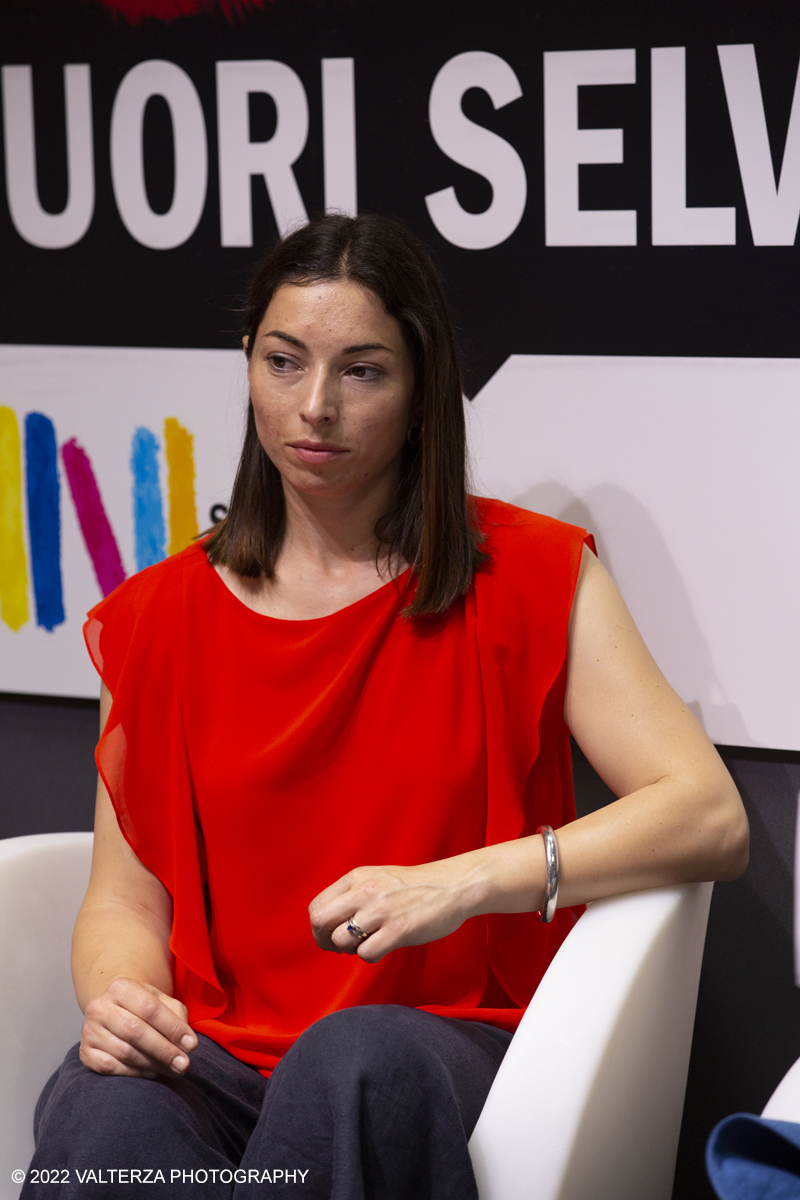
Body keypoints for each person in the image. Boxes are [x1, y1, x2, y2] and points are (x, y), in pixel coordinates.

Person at [24, 213, 749, 1199]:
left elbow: (706, 816)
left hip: (445, 1047)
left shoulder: (529, 575)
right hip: (224, 1056)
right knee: (103, 1104)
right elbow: (124, 897)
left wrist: (455, 885)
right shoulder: (156, 618)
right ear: (247, 366)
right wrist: (120, 999)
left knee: (350, 1064)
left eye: (361, 371)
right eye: (283, 362)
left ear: (418, 391)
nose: (313, 405)